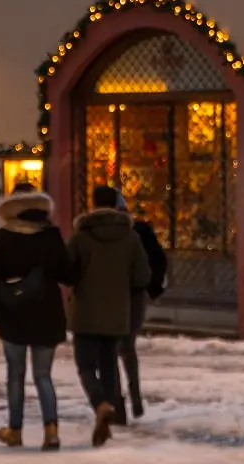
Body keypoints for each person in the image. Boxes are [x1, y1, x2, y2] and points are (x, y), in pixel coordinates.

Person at [0, 183, 70, 451]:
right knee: (43, 375)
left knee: (15, 375)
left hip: (13, 313)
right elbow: (67, 274)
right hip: (47, 312)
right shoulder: (51, 236)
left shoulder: (4, 236)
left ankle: (15, 430)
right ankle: (51, 430)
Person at [65, 186, 151, 447]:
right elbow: (142, 277)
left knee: (86, 365)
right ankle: (112, 409)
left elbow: (67, 272)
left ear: (92, 204)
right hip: (117, 313)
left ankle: (100, 404)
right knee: (108, 363)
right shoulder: (130, 237)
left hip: (86, 313)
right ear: (116, 204)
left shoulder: (81, 236)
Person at [116, 194, 167, 420]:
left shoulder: (95, 233)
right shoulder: (140, 230)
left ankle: (120, 402)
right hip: (135, 296)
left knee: (112, 350)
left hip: (112, 297)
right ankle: (133, 396)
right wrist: (152, 288)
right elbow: (158, 259)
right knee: (127, 347)